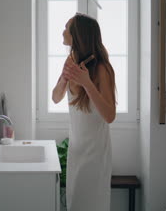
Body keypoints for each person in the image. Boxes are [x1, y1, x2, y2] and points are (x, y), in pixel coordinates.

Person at [52, 13, 116, 211]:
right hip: (76, 150)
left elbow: (109, 116)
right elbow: (55, 97)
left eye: (67, 28)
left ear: (78, 35)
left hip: (95, 153)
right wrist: (64, 78)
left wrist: (87, 83)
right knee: (75, 204)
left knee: (92, 204)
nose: (63, 31)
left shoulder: (102, 69)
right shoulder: (71, 61)